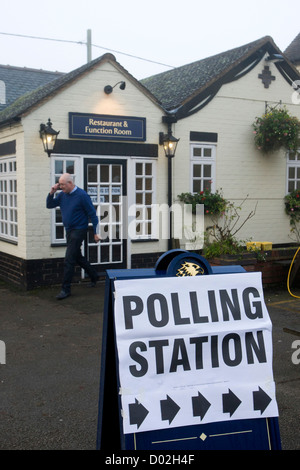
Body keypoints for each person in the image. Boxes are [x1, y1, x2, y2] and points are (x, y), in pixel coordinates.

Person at [46, 173, 101, 300]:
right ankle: (94, 276)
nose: (60, 187)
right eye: (59, 184)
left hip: (79, 230)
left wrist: (96, 232)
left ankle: (65, 289)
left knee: (69, 259)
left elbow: (93, 214)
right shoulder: (62, 195)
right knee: (77, 257)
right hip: (69, 230)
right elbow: (50, 205)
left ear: (70, 183)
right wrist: (51, 193)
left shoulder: (82, 196)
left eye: (62, 185)